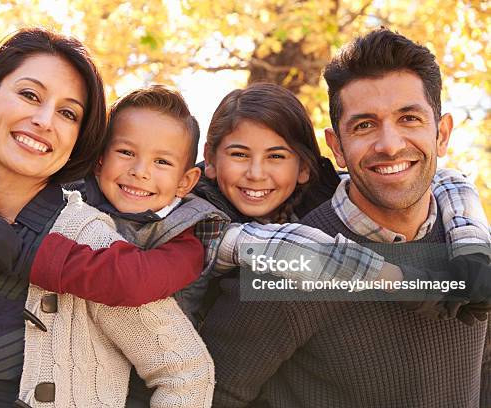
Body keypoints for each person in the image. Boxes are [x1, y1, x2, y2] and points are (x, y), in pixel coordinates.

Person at [0, 28, 212, 408]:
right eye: (29, 95)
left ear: (77, 139)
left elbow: (186, 374)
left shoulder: (86, 241)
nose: (44, 120)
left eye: (67, 113)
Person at [200, 28, 491, 407]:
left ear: (442, 134)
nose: (389, 145)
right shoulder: (282, 269)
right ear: (336, 147)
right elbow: (209, 395)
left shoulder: (471, 249)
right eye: (364, 125)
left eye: (409, 119)